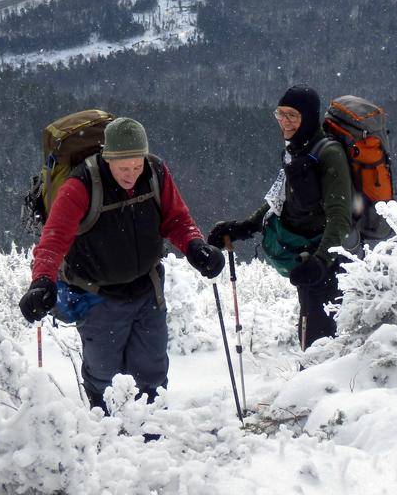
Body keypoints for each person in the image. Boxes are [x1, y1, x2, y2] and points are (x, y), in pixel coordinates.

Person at [18, 117, 225, 413]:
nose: (131, 175)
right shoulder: (80, 186)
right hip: (98, 296)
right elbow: (53, 242)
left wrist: (196, 247)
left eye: (136, 166)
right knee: (104, 376)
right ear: (107, 158)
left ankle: (151, 437)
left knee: (152, 374)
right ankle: (106, 434)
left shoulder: (155, 173)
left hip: (147, 289)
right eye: (123, 168)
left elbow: (176, 219)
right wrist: (41, 283)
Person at [208, 85, 353, 349]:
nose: (284, 122)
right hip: (305, 257)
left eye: (292, 116)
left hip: (327, 263)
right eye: (280, 114)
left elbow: (340, 216)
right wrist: (244, 227)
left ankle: (320, 386)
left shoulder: (329, 154)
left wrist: (321, 262)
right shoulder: (296, 149)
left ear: (307, 117)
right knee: (310, 332)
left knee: (319, 341)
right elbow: (279, 199)